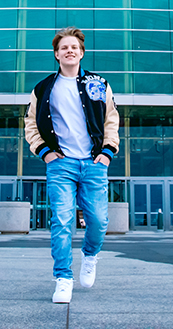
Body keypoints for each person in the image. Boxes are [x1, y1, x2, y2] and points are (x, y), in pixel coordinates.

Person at [24, 27, 120, 304]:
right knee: (62, 222)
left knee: (99, 221)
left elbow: (111, 119)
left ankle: (90, 255)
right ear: (56, 54)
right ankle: (63, 279)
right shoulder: (43, 88)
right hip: (60, 164)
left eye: (74, 47)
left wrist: (107, 152)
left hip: (93, 163)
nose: (69, 51)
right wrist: (44, 152)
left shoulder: (98, 83)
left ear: (81, 53)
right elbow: (30, 123)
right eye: (64, 47)